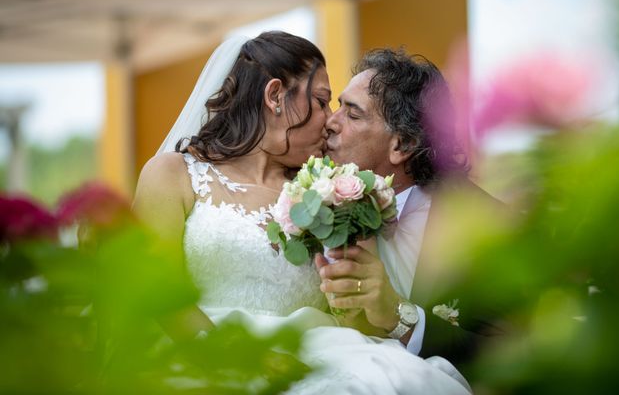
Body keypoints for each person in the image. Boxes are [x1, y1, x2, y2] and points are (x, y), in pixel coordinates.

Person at [133, 32, 471, 394]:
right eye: (323, 101)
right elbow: (152, 294)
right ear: (275, 96)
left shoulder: (326, 189)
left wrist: (354, 296)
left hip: (317, 351)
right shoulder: (172, 175)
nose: (328, 120)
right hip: (199, 351)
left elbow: (356, 318)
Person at [318, 48, 506, 365]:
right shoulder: (316, 201)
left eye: (352, 114)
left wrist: (402, 319)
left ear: (403, 145)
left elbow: (511, 357)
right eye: (337, 107)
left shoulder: (484, 226)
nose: (329, 123)